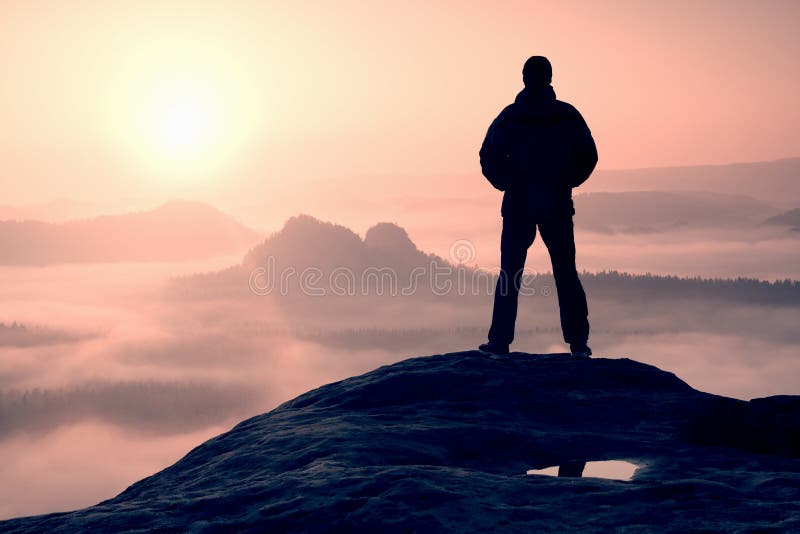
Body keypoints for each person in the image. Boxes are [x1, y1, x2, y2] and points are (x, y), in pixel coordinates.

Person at [478, 56, 597, 357]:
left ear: (524, 78)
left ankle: (499, 342)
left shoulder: (511, 117)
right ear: (550, 78)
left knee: (510, 274)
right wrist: (566, 181)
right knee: (565, 273)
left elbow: (487, 155)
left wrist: (507, 182)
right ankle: (579, 344)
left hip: (518, 204)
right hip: (556, 203)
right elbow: (589, 156)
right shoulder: (567, 116)